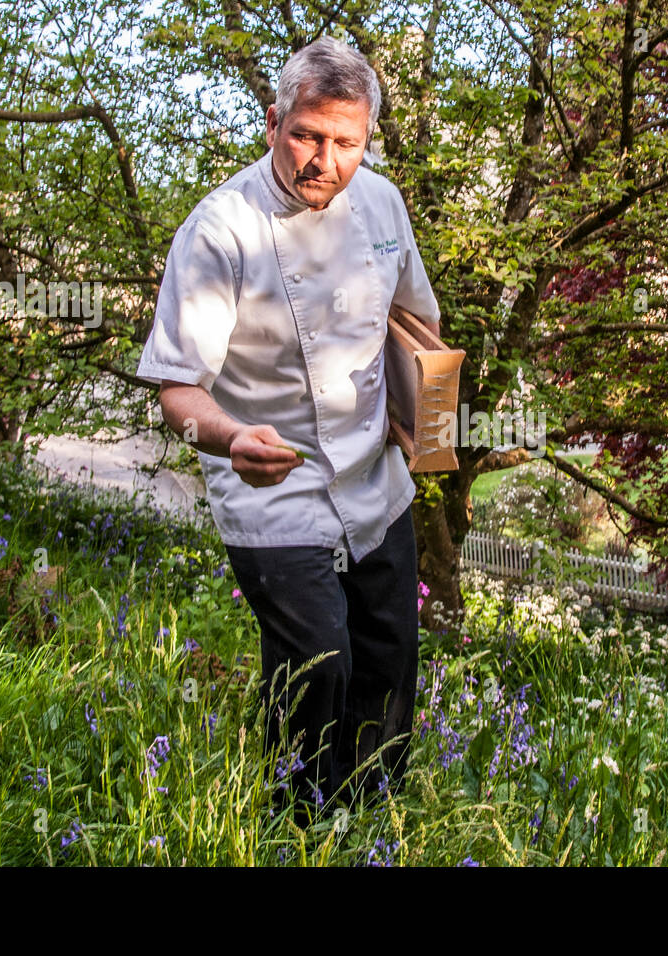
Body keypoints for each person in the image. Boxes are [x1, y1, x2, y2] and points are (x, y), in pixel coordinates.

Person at [135, 36, 441, 821]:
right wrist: (231, 437)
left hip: (375, 476)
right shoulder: (219, 231)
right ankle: (292, 820)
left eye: (347, 142)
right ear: (273, 120)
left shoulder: (383, 204)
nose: (325, 160)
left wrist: (428, 417)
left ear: (366, 138)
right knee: (319, 662)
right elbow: (178, 389)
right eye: (307, 134)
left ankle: (371, 819)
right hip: (270, 484)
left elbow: (414, 323)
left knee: (389, 661)